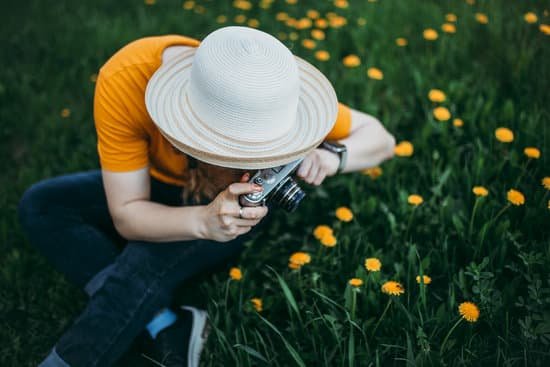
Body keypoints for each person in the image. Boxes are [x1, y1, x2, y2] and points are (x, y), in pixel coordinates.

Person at [17, 26, 396, 367]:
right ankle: (164, 322)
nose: (250, 161)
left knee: (141, 263)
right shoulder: (128, 79)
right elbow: (128, 214)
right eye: (235, 152)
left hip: (240, 204)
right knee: (42, 205)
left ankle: (118, 319)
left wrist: (332, 156)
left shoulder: (269, 95)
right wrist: (199, 221)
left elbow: (380, 138)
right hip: (160, 185)